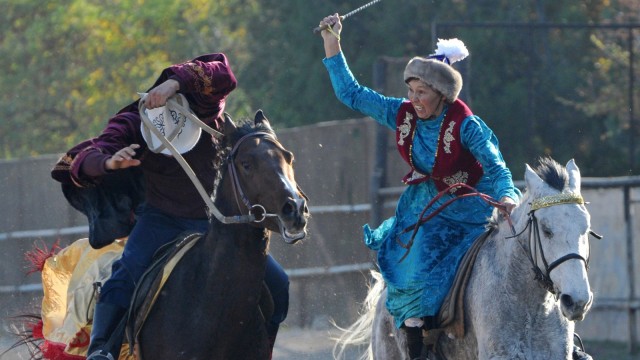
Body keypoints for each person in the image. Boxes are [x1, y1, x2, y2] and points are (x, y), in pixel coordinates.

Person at [51, 53, 289, 359]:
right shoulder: (133, 122)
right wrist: (108, 162)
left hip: (217, 223)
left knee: (278, 284)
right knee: (125, 275)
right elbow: (92, 154)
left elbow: (223, 72)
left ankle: (263, 348)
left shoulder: (203, 104)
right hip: (161, 221)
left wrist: (175, 83)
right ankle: (102, 350)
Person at [317, 14, 520, 359]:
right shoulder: (402, 113)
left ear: (442, 95)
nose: (413, 98)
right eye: (410, 90)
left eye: (421, 92)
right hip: (429, 203)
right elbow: (351, 94)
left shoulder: (466, 124)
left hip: (472, 202)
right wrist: (332, 42)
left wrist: (508, 196)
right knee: (412, 272)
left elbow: (497, 166)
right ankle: (417, 348)